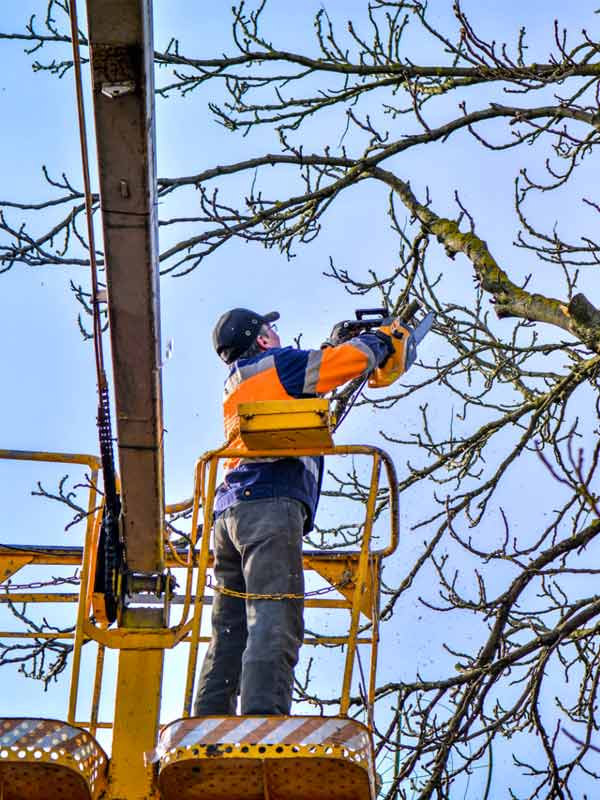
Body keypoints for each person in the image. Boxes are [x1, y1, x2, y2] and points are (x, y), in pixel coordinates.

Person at [194, 307, 394, 717]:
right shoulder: (278, 364)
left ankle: (208, 722)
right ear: (263, 339)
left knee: (229, 631)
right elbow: (344, 365)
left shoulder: (245, 379)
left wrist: (331, 346)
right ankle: (262, 723)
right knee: (274, 616)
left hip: (230, 513)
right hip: (269, 505)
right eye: (273, 330)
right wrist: (381, 342)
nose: (278, 335)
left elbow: (306, 380)